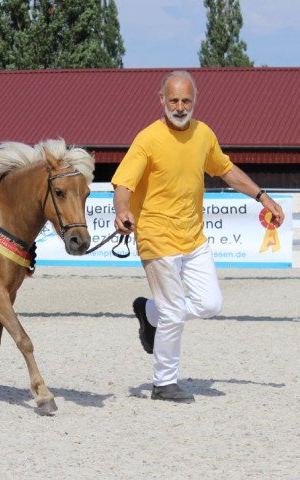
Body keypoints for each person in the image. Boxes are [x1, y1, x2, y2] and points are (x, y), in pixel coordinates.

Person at [111, 70, 285, 404]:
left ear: (195, 101)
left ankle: (149, 313)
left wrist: (263, 196)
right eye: (173, 100)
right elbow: (124, 184)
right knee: (174, 311)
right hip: (156, 235)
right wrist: (122, 210)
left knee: (210, 304)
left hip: (193, 237)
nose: (179, 107)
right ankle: (163, 383)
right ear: (161, 100)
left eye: (185, 100)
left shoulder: (204, 134)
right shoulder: (147, 138)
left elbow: (226, 169)